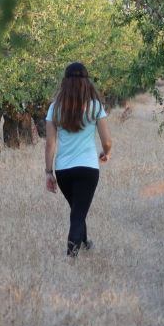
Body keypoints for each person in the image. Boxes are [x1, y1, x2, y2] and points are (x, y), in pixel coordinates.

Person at [43, 61, 113, 256]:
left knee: (77, 209)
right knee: (78, 213)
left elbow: (50, 144)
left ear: (65, 82)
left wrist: (49, 172)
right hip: (88, 168)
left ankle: (84, 243)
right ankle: (71, 256)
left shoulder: (54, 108)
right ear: (86, 82)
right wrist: (106, 153)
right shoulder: (95, 107)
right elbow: (107, 140)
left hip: (63, 170)